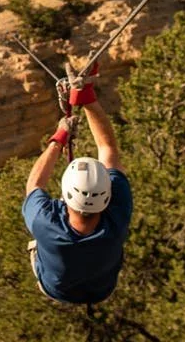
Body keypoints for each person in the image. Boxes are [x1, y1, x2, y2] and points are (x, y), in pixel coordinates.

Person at [22, 67, 133, 304]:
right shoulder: (118, 216)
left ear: (65, 194)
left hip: (54, 288)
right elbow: (108, 149)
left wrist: (59, 138)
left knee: (37, 237)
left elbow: (34, 184)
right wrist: (87, 98)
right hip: (102, 288)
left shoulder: (46, 224)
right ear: (107, 195)